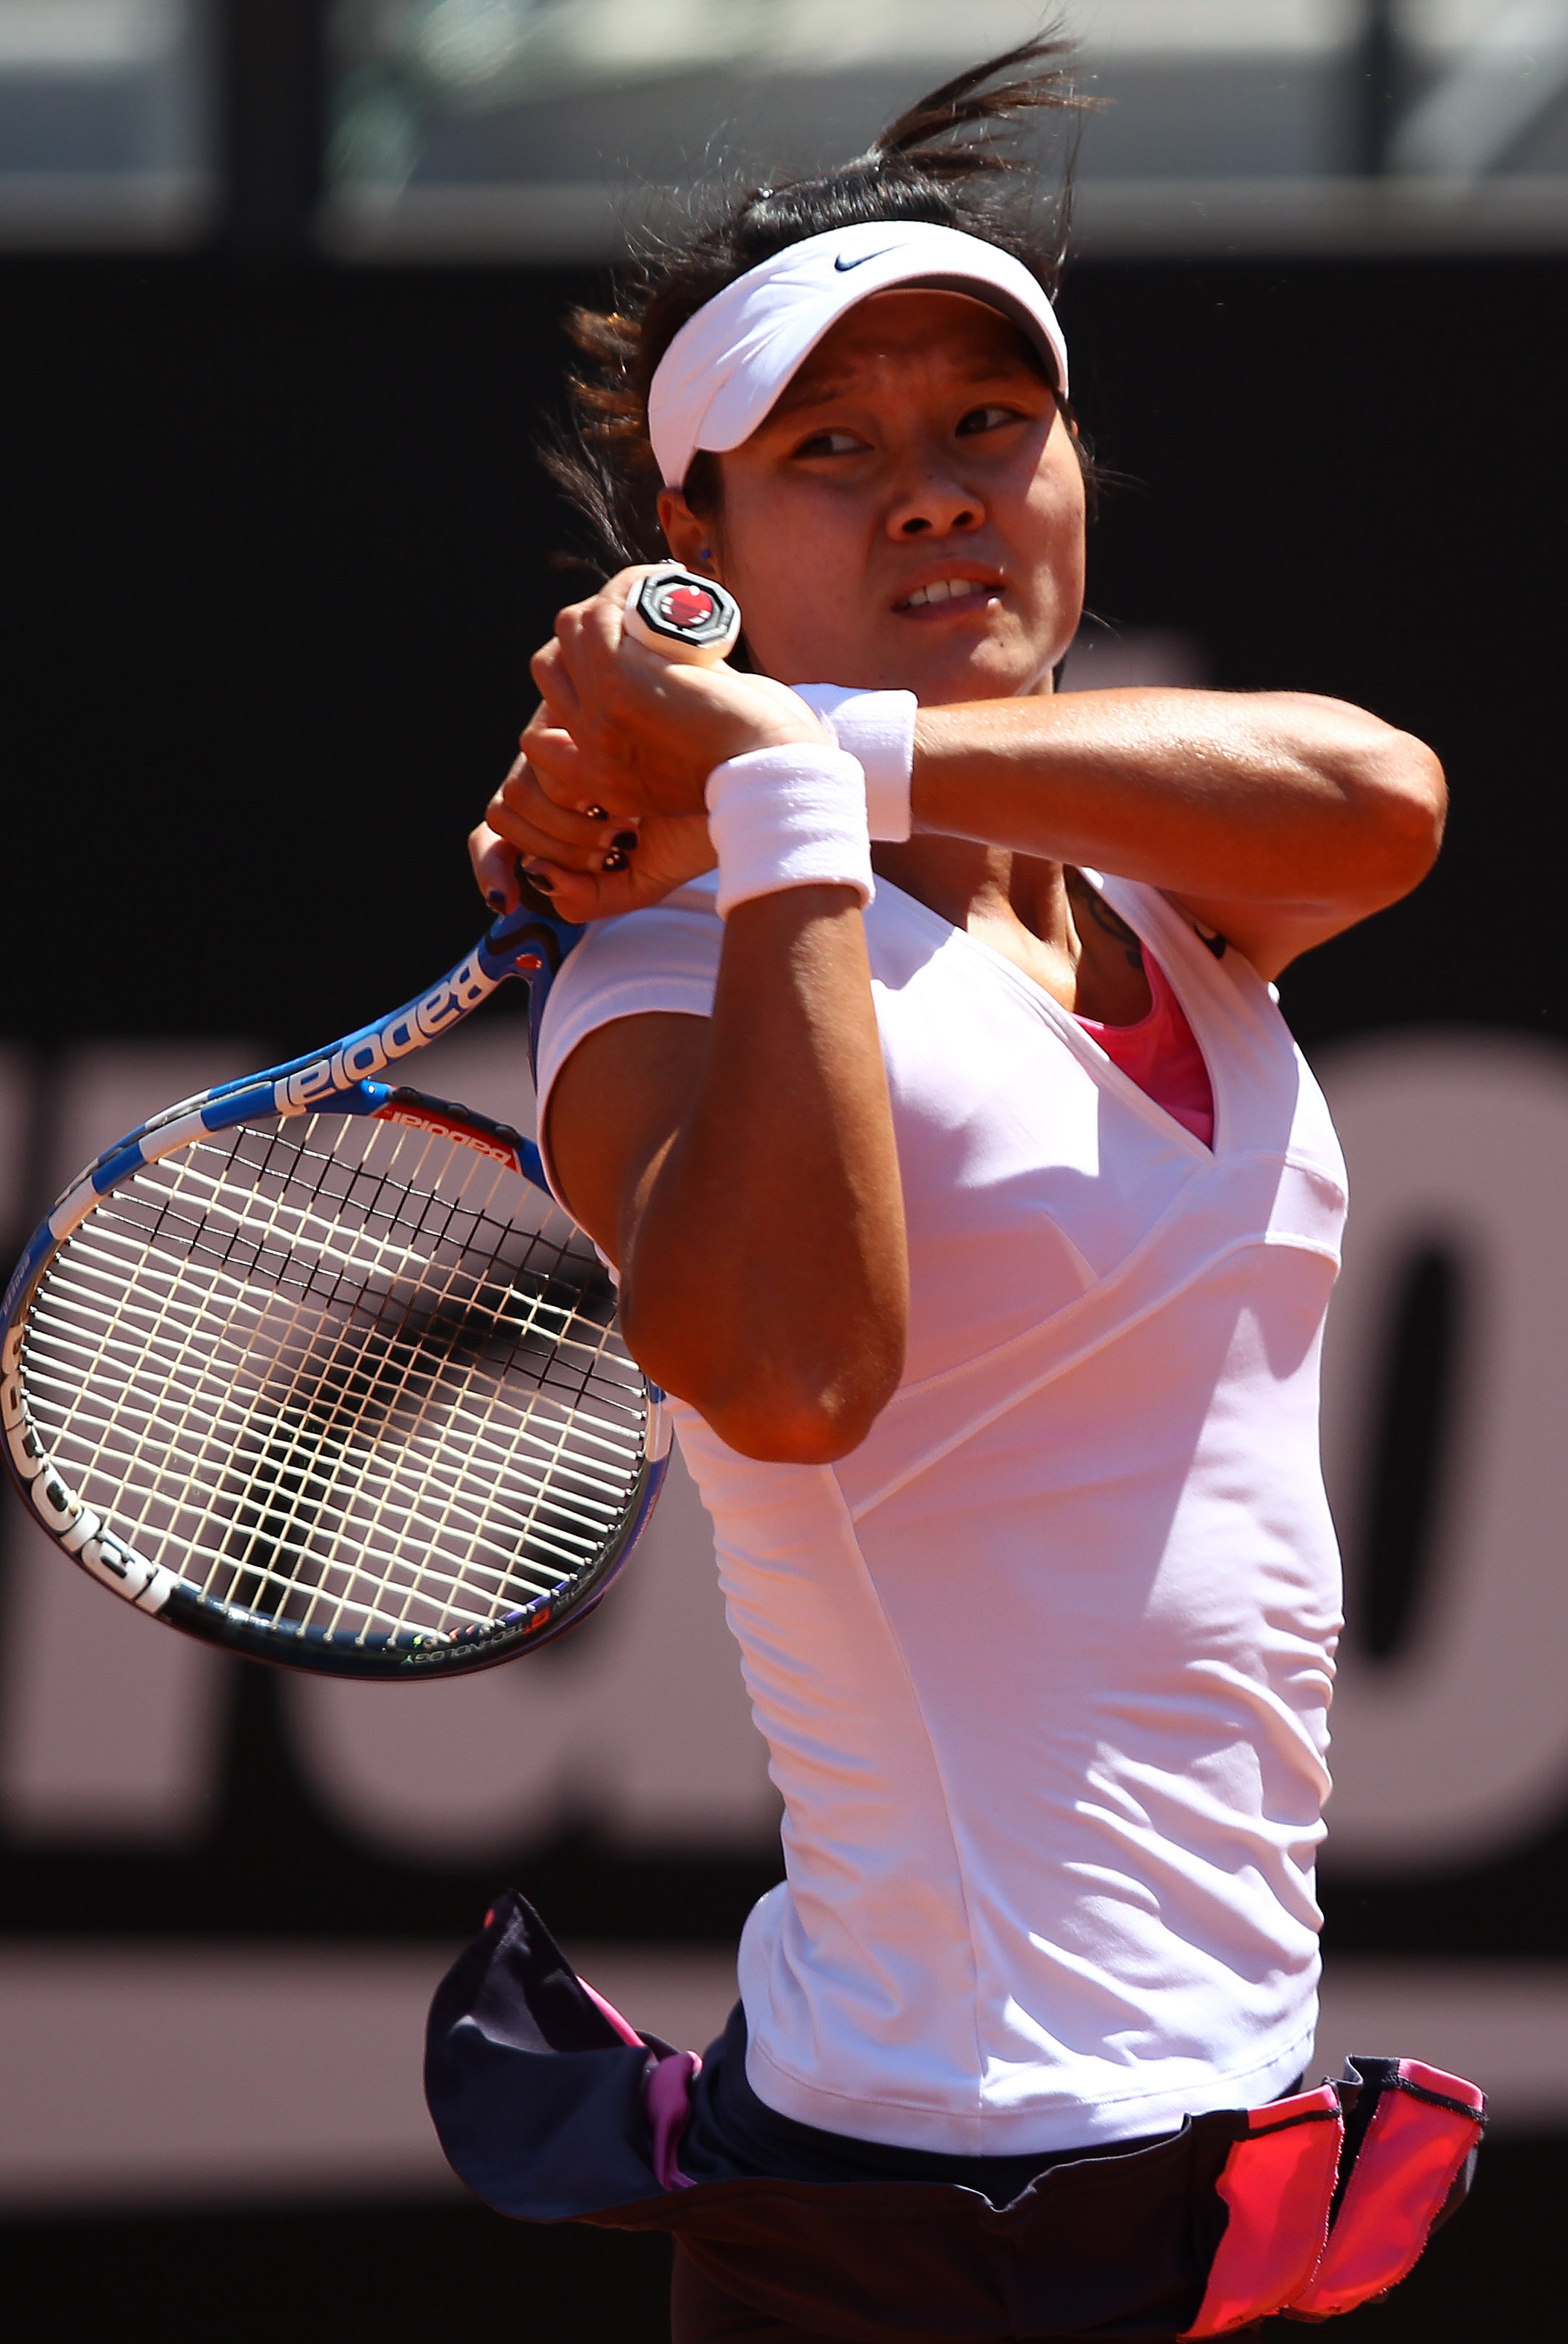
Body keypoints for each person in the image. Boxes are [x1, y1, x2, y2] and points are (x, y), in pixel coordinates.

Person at [429, 45, 1468, 2343]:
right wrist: (782, 832)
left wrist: (806, 753)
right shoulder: (650, 981)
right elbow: (789, 1379)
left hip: (1208, 2155)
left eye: (990, 426)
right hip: (918, 2210)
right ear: (689, 558)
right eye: (833, 452)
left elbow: (1379, 798)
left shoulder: (1172, 901)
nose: (934, 499)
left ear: (1074, 470)